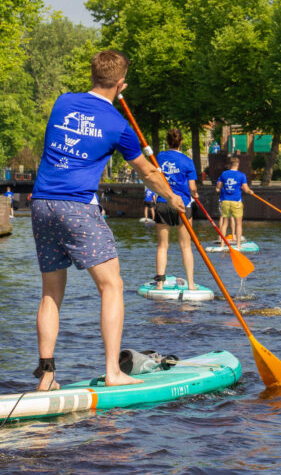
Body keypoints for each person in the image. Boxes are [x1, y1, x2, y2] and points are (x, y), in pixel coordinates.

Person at [29, 50, 184, 391]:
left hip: (40, 204)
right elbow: (147, 173)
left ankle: (47, 378)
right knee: (111, 285)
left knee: (50, 294)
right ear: (121, 84)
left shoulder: (62, 102)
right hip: (77, 207)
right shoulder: (119, 126)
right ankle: (113, 372)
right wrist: (172, 197)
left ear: (92, 75)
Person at [154, 128, 199, 291]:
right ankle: (191, 284)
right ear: (181, 142)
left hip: (163, 202)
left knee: (162, 246)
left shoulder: (159, 157)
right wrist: (195, 193)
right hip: (183, 204)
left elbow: (155, 177)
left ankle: (160, 284)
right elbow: (192, 187)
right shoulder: (188, 161)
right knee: (186, 246)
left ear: (167, 141)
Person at [215, 156, 254, 249]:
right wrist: (250, 192)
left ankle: (222, 244)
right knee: (238, 223)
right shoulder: (241, 175)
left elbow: (218, 186)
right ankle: (238, 245)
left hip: (225, 201)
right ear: (238, 165)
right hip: (236, 201)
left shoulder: (224, 174)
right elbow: (246, 189)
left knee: (225, 223)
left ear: (230, 165)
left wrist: (218, 188)